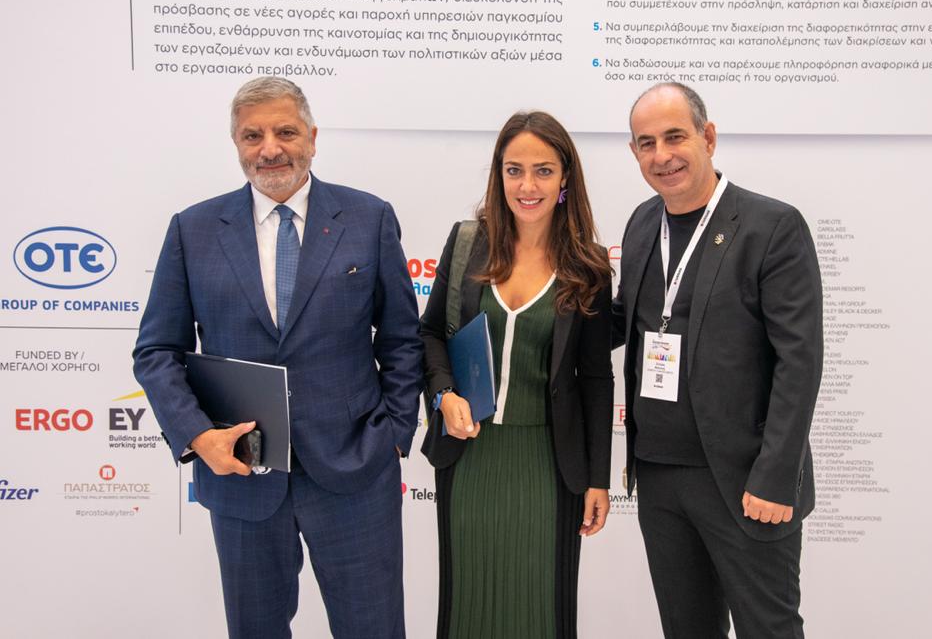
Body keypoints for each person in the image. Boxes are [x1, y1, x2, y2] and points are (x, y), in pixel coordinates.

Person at [132, 77, 422, 639]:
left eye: (285, 132)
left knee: (374, 628)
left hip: (355, 469)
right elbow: (157, 350)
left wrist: (393, 434)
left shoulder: (369, 218)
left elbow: (401, 338)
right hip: (240, 471)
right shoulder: (193, 230)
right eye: (252, 135)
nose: (270, 148)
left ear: (312, 137)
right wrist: (198, 436)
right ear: (236, 144)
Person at [612, 83, 823, 639]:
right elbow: (625, 319)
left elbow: (799, 361)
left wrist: (777, 477)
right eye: (647, 143)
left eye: (675, 137)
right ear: (634, 152)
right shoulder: (642, 223)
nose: (662, 155)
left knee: (768, 630)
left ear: (707, 137)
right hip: (660, 477)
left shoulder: (771, 227)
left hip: (745, 481)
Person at [420, 111, 614, 639]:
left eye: (543, 171)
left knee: (541, 609)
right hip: (470, 455)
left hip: (549, 463)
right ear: (499, 174)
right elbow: (430, 333)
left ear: (565, 177)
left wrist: (598, 477)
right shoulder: (467, 243)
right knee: (468, 606)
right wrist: (443, 395)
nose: (527, 186)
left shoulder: (590, 266)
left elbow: (596, 379)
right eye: (515, 170)